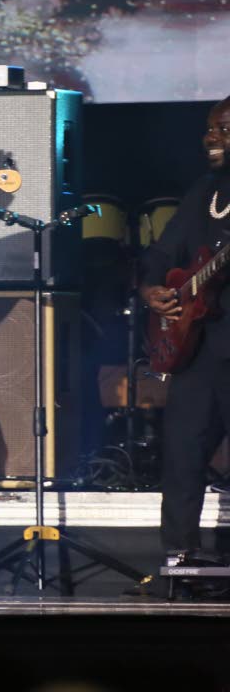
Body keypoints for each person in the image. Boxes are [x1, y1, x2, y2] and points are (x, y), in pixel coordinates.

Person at [140, 94, 230, 568]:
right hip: (197, 349)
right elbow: (162, 251)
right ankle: (180, 555)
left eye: (223, 130)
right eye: (210, 129)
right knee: (182, 452)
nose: (211, 138)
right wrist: (151, 288)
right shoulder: (203, 192)